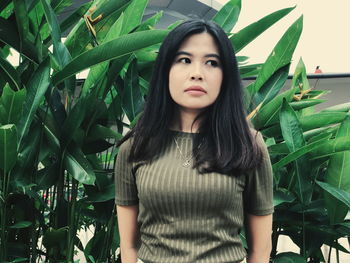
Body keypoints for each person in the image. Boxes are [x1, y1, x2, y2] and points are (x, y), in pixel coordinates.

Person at [114, 19, 274, 263]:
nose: (197, 74)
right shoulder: (135, 147)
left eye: (212, 63)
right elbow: (128, 247)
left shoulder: (247, 144)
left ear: (226, 75)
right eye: (184, 60)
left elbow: (260, 250)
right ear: (166, 70)